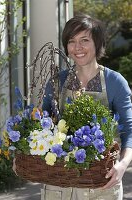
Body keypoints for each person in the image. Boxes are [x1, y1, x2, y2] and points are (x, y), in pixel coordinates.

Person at [41, 14, 132, 200]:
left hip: (102, 185)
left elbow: (129, 130)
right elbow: (41, 124)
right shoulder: (57, 82)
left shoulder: (114, 82)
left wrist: (122, 165)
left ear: (97, 43)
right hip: (58, 185)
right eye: (72, 41)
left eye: (85, 40)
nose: (78, 47)